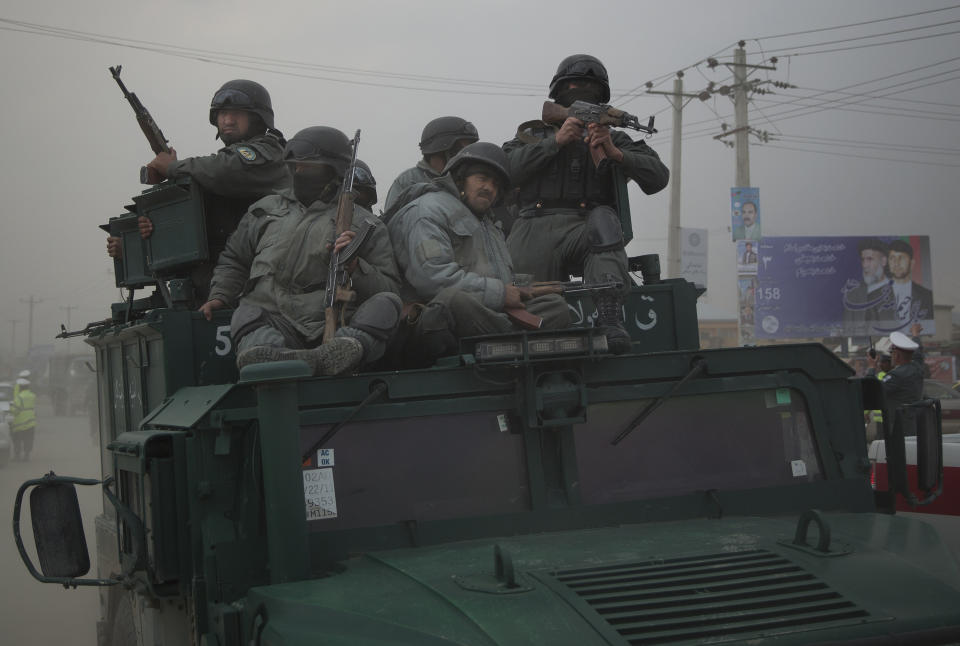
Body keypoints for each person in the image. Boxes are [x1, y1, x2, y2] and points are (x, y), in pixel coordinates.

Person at [200, 126, 402, 376]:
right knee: (246, 313)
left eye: (308, 166)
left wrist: (355, 266)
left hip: (340, 322)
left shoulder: (365, 224)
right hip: (277, 320)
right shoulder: (264, 210)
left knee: (388, 304)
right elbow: (235, 260)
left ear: (333, 169)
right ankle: (275, 358)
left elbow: (389, 289)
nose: (299, 171)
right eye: (295, 165)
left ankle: (342, 352)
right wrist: (219, 294)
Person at [503, 54, 669, 354]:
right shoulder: (532, 136)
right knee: (525, 312)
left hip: (586, 228)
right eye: (575, 84)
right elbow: (504, 170)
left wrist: (617, 153)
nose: (582, 89)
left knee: (605, 221)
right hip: (531, 228)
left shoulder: (615, 138)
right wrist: (555, 142)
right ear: (559, 92)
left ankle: (609, 316)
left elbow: (658, 177)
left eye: (590, 86)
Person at [388, 142, 570, 366]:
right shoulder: (427, 211)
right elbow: (433, 279)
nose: (488, 188)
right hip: (434, 320)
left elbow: (500, 283)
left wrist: (519, 291)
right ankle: (513, 345)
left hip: (488, 314)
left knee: (555, 306)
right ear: (461, 178)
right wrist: (501, 294)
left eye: (495, 184)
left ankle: (505, 346)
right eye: (481, 178)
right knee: (453, 300)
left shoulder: (489, 225)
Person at [107, 79, 292, 300]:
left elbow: (224, 169)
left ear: (257, 117)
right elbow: (193, 225)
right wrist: (137, 242)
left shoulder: (268, 153)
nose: (227, 120)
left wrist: (173, 167)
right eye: (222, 114)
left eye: (237, 113)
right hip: (220, 277)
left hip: (260, 276)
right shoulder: (215, 171)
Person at [383, 116, 479, 216]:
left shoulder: (469, 181)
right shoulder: (408, 181)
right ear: (441, 149)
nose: (465, 156)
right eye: (459, 150)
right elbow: (392, 223)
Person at [842, 238, 896, 333]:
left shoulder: (898, 290)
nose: (865, 265)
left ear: (883, 261)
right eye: (863, 260)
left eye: (870, 259)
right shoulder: (853, 296)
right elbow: (847, 331)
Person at [881, 331, 924, 428]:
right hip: (914, 422)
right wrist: (915, 336)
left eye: (891, 353)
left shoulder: (895, 375)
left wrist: (871, 368)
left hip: (898, 425)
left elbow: (876, 393)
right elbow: (918, 355)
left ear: (896, 355)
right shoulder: (917, 368)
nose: (891, 356)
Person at [887, 240, 934, 327]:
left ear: (912, 264)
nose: (896, 263)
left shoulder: (927, 296)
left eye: (902, 258)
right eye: (892, 258)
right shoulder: (874, 296)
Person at [10, 377, 37, 461]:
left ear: (20, 387)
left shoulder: (19, 397)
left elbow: (15, 410)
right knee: (28, 439)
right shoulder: (32, 396)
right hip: (30, 422)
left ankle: (17, 456)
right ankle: (26, 456)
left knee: (17, 440)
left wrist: (11, 407)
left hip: (19, 422)